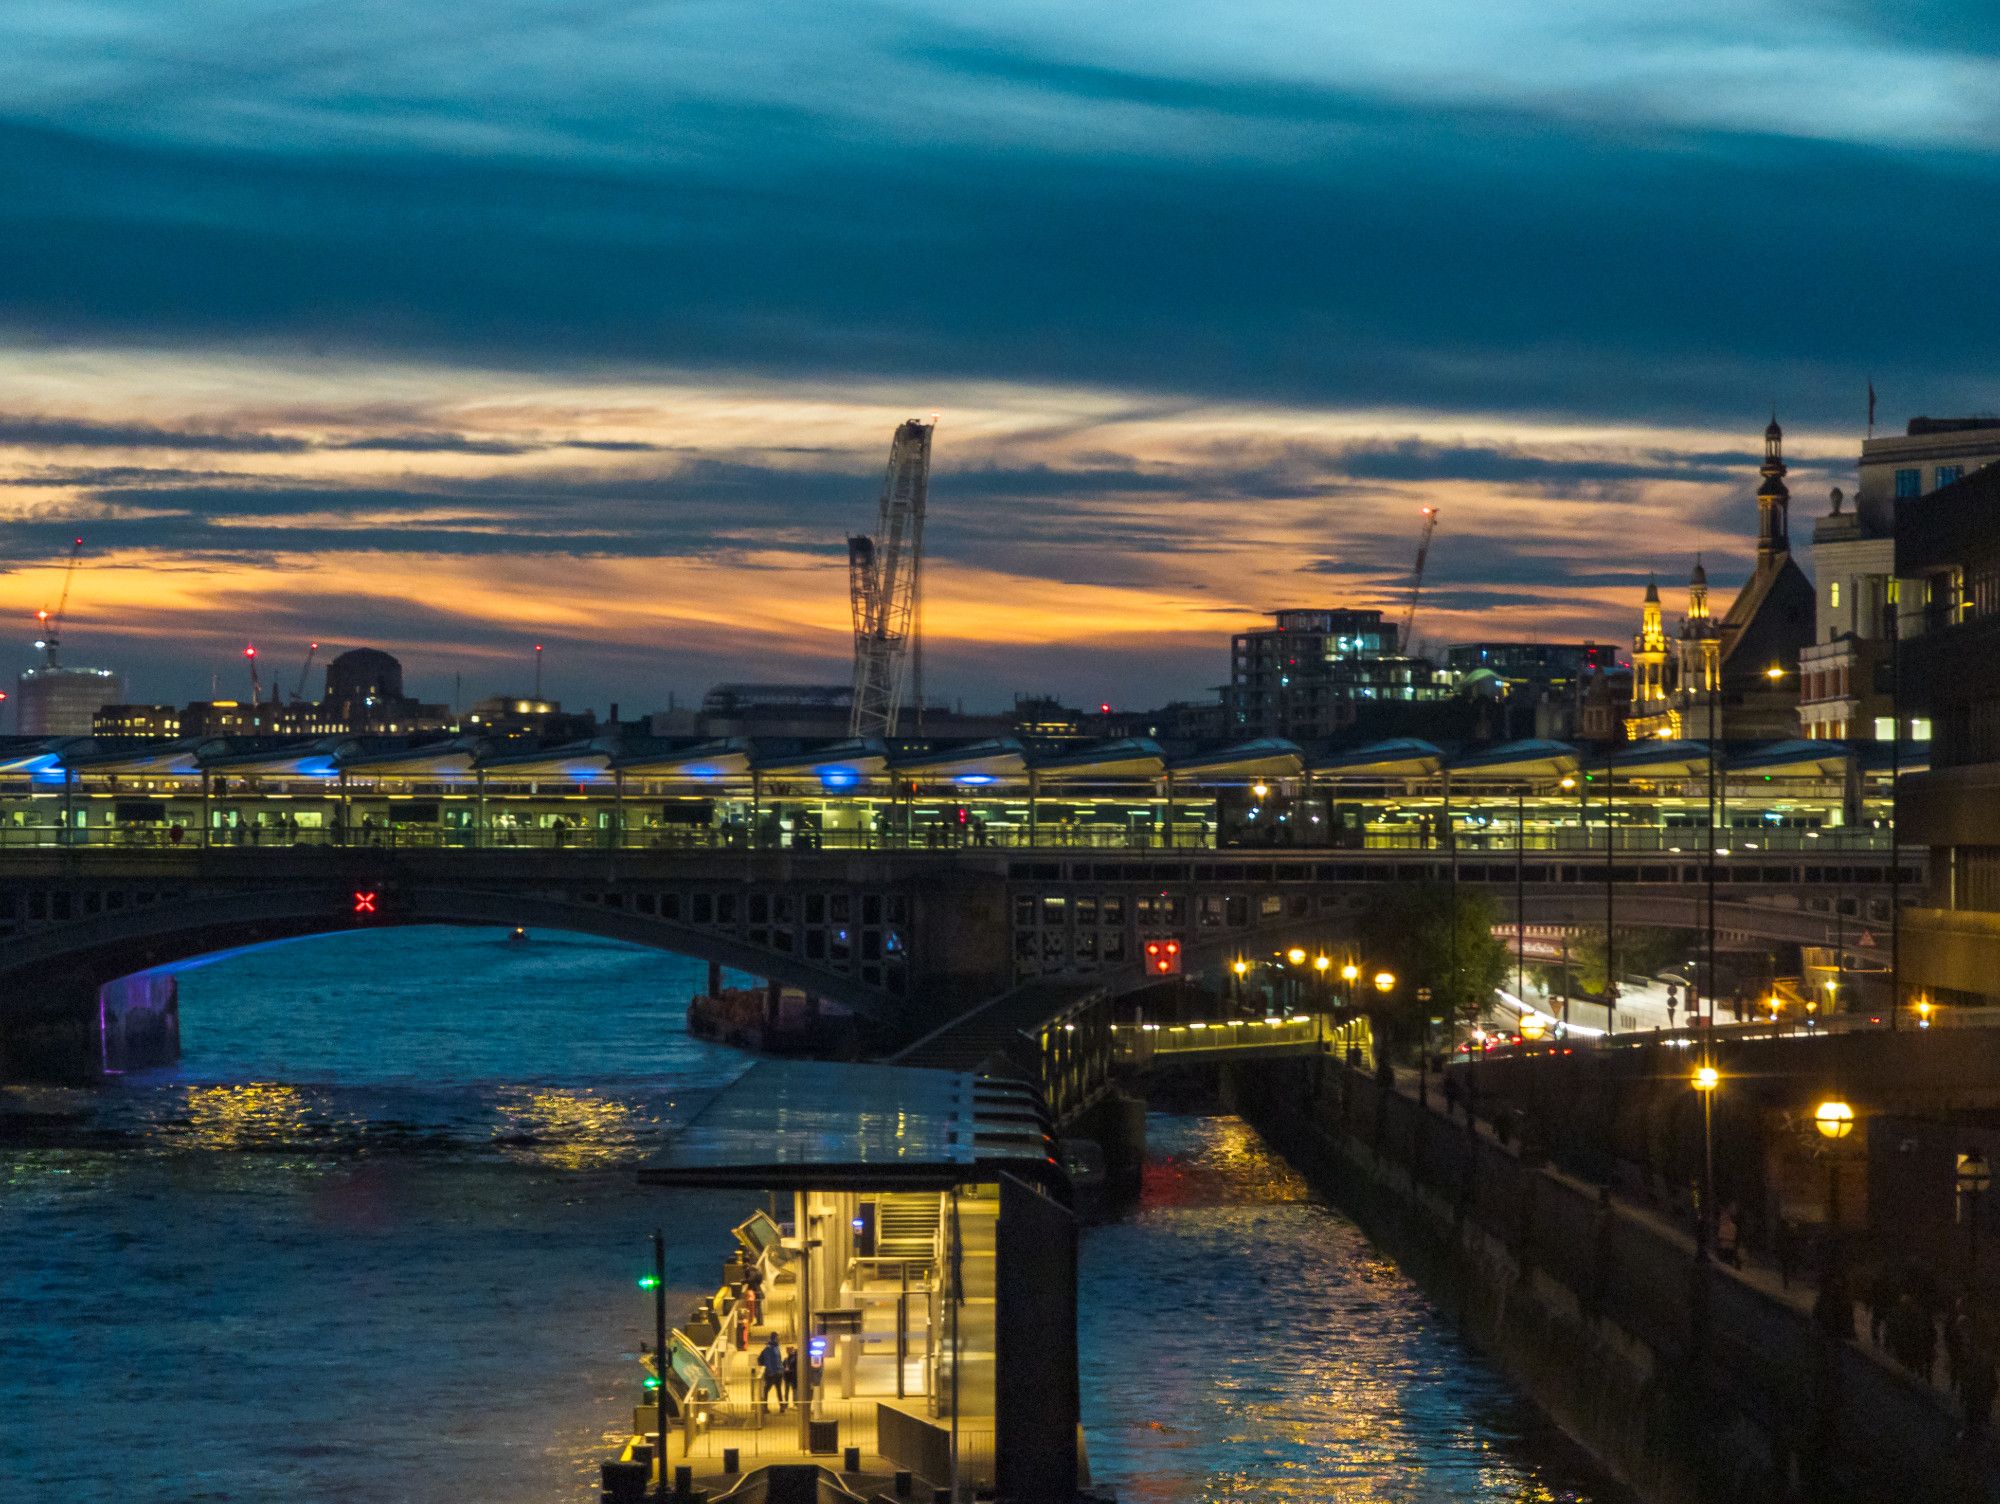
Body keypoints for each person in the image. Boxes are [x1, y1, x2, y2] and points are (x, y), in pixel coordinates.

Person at [757, 1332, 785, 1412]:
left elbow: (764, 1360)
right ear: (775, 1338)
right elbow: (772, 1360)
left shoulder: (769, 1348)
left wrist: (768, 1370)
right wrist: (777, 1370)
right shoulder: (775, 1348)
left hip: (773, 1373)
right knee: (777, 1389)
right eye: (777, 1338)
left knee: (767, 1390)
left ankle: (765, 1407)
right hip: (775, 1373)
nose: (779, 1339)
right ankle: (781, 1406)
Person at [782, 1344, 799, 1410]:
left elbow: (783, 1367)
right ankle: (794, 1404)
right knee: (793, 1391)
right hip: (791, 1377)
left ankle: (788, 1404)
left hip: (789, 1377)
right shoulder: (790, 1358)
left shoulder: (788, 1359)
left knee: (789, 1391)